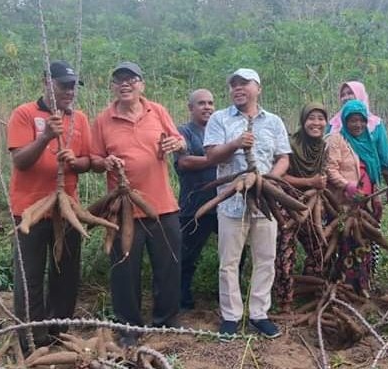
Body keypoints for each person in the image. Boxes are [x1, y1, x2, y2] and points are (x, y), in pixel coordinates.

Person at [90, 62, 186, 348]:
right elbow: (94, 159)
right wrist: (105, 162)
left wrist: (176, 144)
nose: (125, 84)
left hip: (162, 205)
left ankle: (167, 318)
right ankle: (128, 326)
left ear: (141, 84)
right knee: (124, 267)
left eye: (131, 79)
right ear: (113, 87)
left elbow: (178, 139)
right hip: (124, 208)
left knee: (168, 263)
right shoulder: (103, 120)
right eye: (119, 80)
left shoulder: (157, 111)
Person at [7, 60, 90, 353]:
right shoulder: (25, 114)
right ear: (46, 81)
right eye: (63, 85)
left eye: (72, 87)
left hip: (66, 209)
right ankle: (31, 339)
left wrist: (74, 161)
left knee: (66, 275)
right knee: (29, 277)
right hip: (30, 210)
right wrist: (45, 138)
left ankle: (58, 333)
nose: (69, 92)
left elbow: (88, 161)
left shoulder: (79, 119)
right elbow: (20, 161)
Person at [203, 68, 291, 340]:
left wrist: (266, 181)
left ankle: (259, 314)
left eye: (244, 84)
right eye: (234, 85)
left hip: (264, 201)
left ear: (258, 88)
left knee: (265, 259)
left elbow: (283, 157)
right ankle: (230, 317)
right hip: (232, 203)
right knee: (229, 261)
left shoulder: (274, 121)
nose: (238, 88)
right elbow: (211, 156)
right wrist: (236, 144)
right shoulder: (220, 119)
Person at [274, 102, 329, 313]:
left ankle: (308, 291)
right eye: (311, 118)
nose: (316, 123)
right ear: (303, 121)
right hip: (288, 204)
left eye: (320, 118)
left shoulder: (323, 147)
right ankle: (285, 302)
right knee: (285, 252)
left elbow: (322, 177)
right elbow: (280, 175)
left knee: (318, 247)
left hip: (313, 205)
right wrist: (309, 183)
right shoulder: (290, 145)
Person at [326, 99, 384, 296]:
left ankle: (363, 285)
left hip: (364, 204)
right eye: (352, 121)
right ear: (344, 121)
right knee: (346, 245)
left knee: (364, 244)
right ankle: (345, 288)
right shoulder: (337, 140)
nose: (357, 125)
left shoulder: (368, 141)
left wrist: (376, 196)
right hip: (343, 205)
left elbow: (373, 170)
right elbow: (330, 169)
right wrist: (348, 186)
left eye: (361, 120)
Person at [175, 88, 217, 311]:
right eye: (201, 103)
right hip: (194, 205)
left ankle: (226, 296)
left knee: (234, 255)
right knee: (187, 255)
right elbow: (184, 163)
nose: (207, 107)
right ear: (191, 108)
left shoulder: (220, 130)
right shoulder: (183, 132)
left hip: (223, 205)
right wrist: (215, 158)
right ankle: (182, 299)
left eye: (210, 103)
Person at [326, 80, 388, 169]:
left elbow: (384, 157)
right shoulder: (334, 124)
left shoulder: (375, 124)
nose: (346, 97)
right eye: (343, 95)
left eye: (350, 93)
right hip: (340, 178)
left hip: (370, 177)